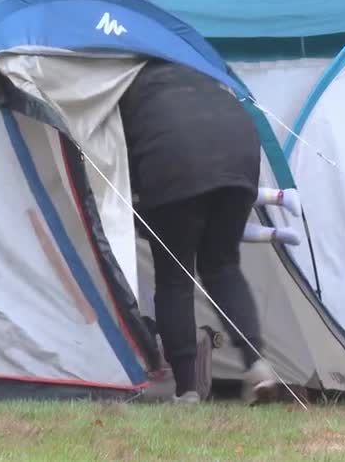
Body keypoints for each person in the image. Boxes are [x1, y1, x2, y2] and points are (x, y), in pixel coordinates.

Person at [117, 59, 279, 405]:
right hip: (240, 153)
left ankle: (187, 390)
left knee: (175, 278)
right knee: (223, 266)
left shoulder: (123, 80)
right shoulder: (195, 66)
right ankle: (256, 365)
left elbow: (118, 156)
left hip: (175, 158)